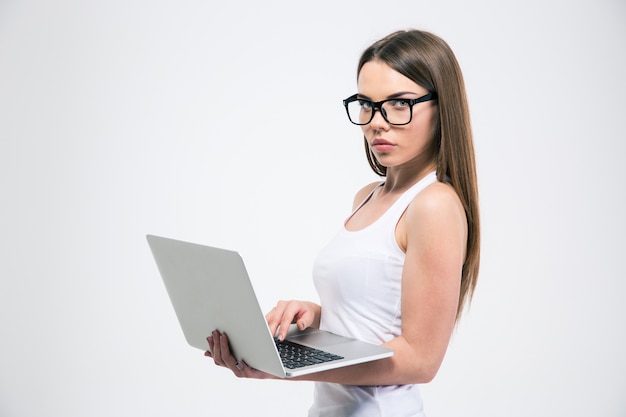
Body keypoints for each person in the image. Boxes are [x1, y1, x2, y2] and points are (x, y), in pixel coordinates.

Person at [205, 28, 480, 417]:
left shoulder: (434, 204)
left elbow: (421, 359)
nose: (377, 123)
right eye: (367, 104)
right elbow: (373, 322)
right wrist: (316, 317)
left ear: (442, 106)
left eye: (399, 103)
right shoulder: (368, 195)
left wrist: (285, 368)